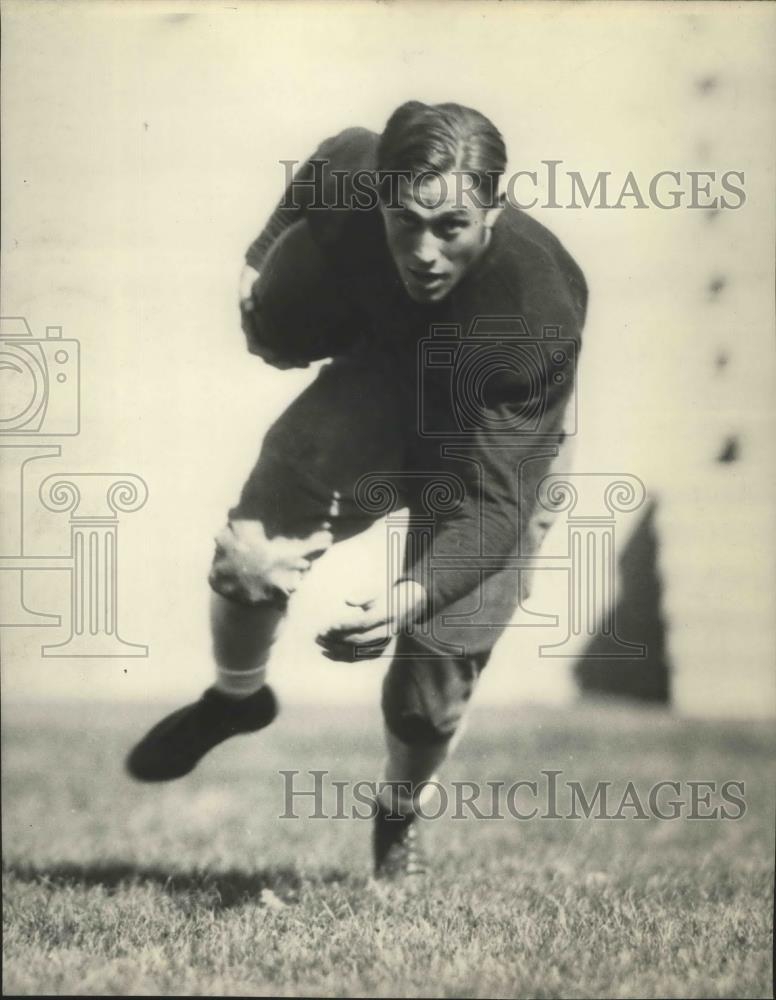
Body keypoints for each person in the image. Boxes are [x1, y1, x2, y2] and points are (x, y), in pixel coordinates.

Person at [126, 101, 587, 881]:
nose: (425, 252)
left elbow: (497, 505)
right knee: (252, 550)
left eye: (452, 228)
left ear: (495, 211)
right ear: (377, 194)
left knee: (428, 694)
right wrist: (260, 259)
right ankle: (238, 696)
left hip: (488, 446)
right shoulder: (352, 171)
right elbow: (320, 169)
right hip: (385, 380)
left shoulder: (535, 312)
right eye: (405, 221)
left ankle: (399, 813)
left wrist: (414, 592)